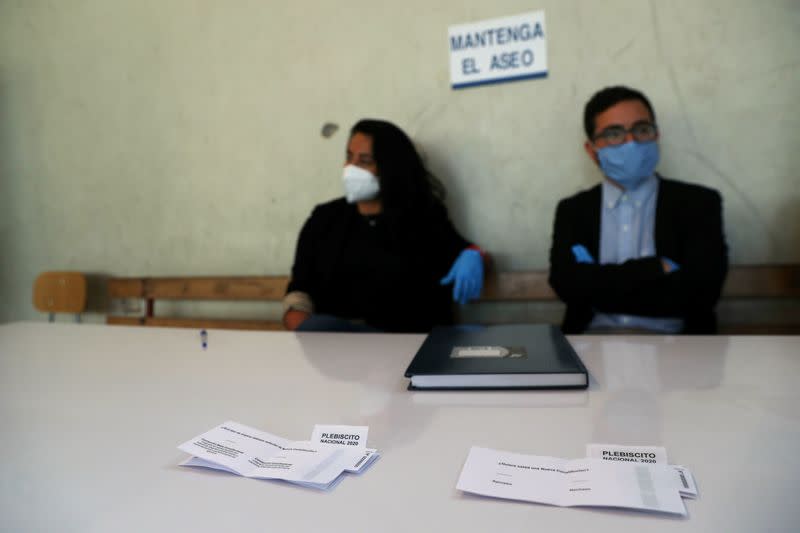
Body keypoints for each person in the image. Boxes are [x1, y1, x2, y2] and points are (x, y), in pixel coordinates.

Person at [548, 86, 728, 334]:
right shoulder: (573, 210)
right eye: (614, 134)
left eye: (642, 130)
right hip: (590, 345)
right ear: (592, 151)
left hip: (680, 351)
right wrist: (654, 269)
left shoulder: (699, 203)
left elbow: (701, 292)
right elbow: (566, 285)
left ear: (656, 136)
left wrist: (596, 282)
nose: (631, 142)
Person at [283, 119, 486, 333]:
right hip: (340, 349)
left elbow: (466, 252)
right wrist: (306, 329)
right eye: (349, 157)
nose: (351, 168)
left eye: (365, 160)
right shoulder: (324, 219)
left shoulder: (422, 216)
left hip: (409, 346)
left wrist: (475, 256)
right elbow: (299, 292)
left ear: (389, 168)